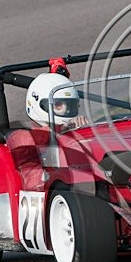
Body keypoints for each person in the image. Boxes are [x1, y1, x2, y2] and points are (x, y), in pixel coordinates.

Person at [6, 60, 88, 190]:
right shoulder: (21, 137)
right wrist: (65, 129)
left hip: (77, 187)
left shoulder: (65, 130)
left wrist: (85, 128)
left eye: (70, 106)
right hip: (40, 193)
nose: (66, 111)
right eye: (59, 105)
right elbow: (34, 139)